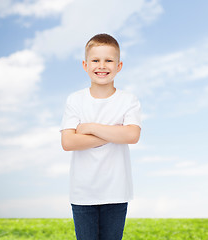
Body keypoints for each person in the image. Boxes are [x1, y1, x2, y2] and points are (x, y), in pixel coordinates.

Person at [60, 33, 142, 240]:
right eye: (95, 60)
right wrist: (115, 133)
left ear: (119, 65)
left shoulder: (128, 100)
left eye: (109, 60)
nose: (102, 66)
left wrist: (89, 127)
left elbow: (132, 135)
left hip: (116, 191)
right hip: (82, 192)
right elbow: (68, 142)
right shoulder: (75, 100)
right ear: (85, 65)